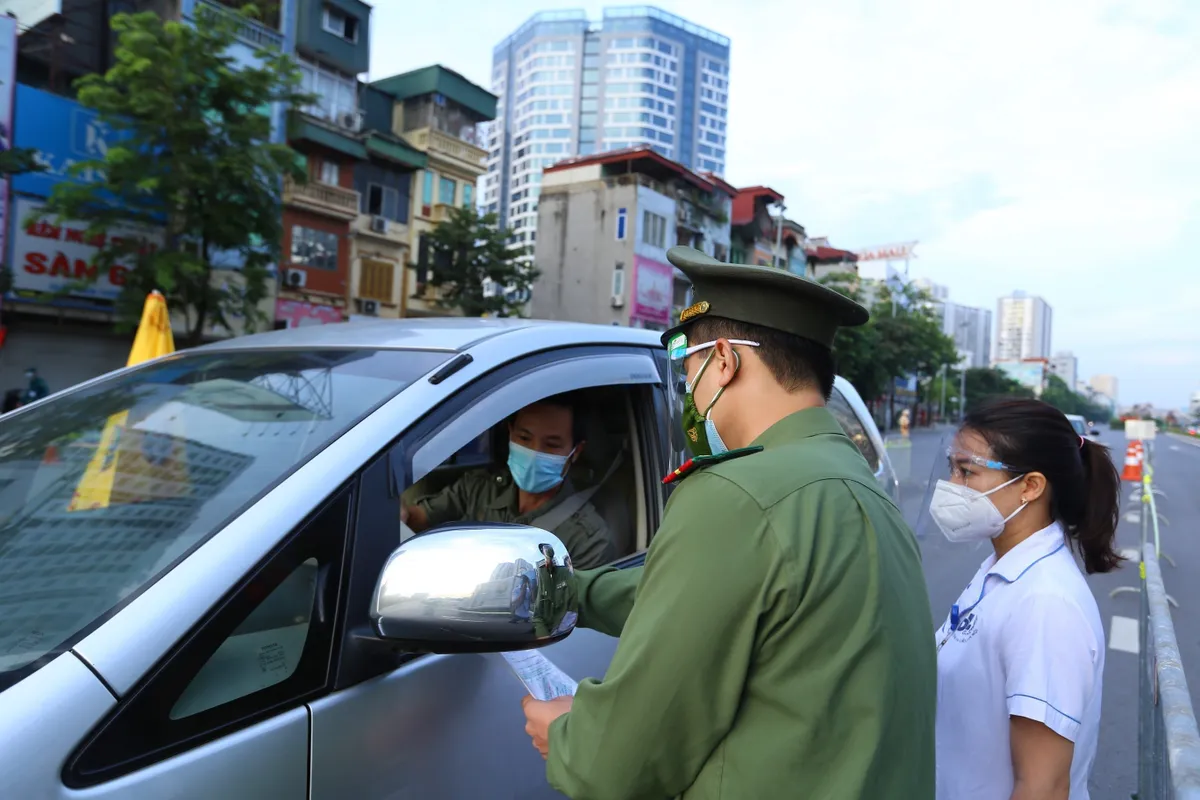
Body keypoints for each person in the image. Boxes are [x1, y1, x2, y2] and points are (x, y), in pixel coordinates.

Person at [520, 246, 937, 798]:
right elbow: (711, 594)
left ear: (723, 361)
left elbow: (617, 763)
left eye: (688, 368)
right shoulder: (862, 488)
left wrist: (566, 736)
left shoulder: (736, 494)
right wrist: (571, 592)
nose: (689, 392)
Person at [929, 398, 1119, 800]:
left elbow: (1043, 787)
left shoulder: (1046, 603)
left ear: (1030, 487)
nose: (951, 486)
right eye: (951, 469)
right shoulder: (1001, 569)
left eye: (967, 471)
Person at [401, 393, 615, 569]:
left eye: (551, 444)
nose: (533, 452)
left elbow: (573, 616)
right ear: (510, 434)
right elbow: (415, 519)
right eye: (524, 438)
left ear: (575, 452)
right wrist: (399, 512)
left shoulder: (588, 538)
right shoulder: (478, 488)